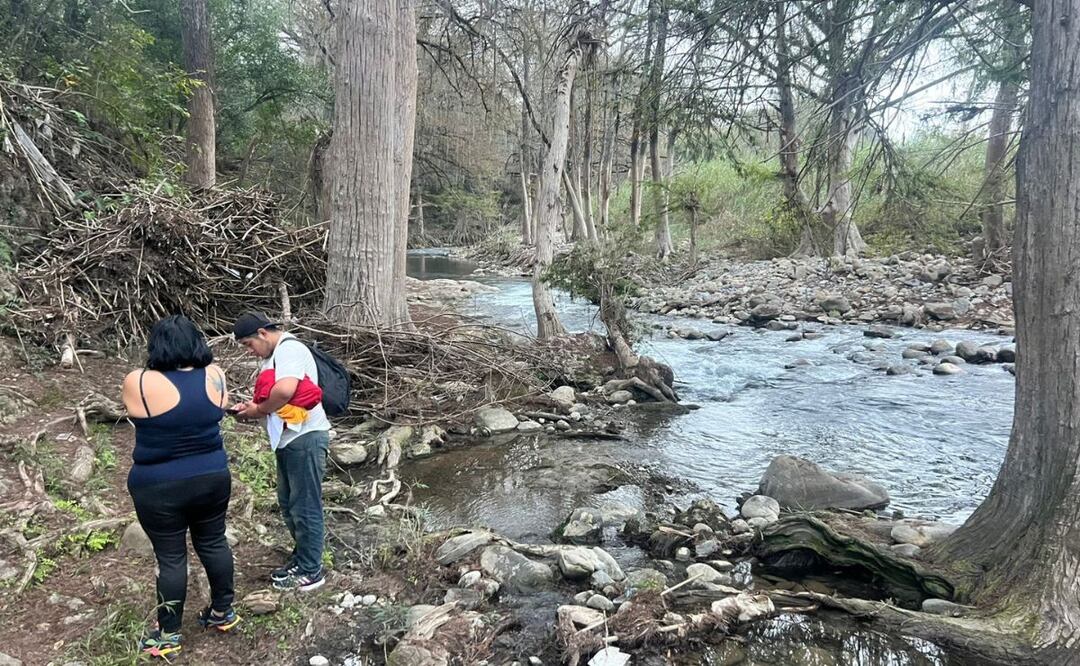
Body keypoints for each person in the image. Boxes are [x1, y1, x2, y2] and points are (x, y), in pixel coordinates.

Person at [122, 315, 240, 659]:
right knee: (214, 541)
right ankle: (222, 611)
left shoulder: (139, 381)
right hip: (213, 476)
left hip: (158, 484)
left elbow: (134, 413)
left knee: (171, 557)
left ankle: (168, 633)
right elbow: (216, 407)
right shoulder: (216, 375)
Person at [231, 312, 330, 592]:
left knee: (305, 505)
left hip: (306, 437)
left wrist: (259, 411)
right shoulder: (273, 357)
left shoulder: (290, 349)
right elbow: (274, 396)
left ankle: (312, 570)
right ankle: (302, 558)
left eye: (249, 345)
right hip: (287, 440)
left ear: (263, 333)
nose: (250, 352)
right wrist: (250, 408)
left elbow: (285, 391)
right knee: (289, 503)